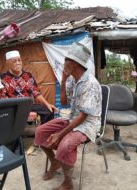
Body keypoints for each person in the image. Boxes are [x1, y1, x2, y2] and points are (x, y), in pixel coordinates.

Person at [34, 42, 102, 190]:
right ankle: (55, 162)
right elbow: (64, 102)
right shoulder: (72, 79)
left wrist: (60, 134)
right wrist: (63, 81)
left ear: (75, 64)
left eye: (66, 60)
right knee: (40, 131)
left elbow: (83, 117)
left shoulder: (90, 84)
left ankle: (68, 182)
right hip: (72, 119)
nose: (64, 63)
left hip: (88, 124)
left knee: (65, 144)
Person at [0, 50, 57, 124]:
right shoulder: (2, 78)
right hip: (14, 108)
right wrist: (22, 113)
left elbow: (36, 93)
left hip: (29, 105)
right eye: (14, 61)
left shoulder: (27, 75)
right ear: (8, 63)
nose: (18, 63)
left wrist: (47, 104)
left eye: (19, 60)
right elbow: (4, 98)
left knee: (49, 111)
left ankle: (43, 132)